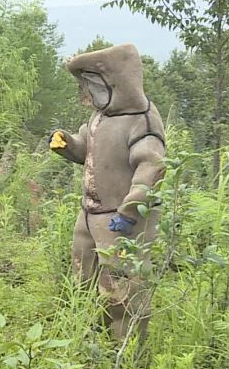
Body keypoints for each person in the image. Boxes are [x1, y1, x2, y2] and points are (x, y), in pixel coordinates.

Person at [49, 43, 165, 341]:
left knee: (122, 288)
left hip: (121, 221)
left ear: (116, 82)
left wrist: (130, 210)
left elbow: (151, 167)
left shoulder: (143, 119)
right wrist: (69, 145)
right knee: (84, 279)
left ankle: (125, 353)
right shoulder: (99, 117)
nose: (87, 92)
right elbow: (88, 149)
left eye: (93, 84)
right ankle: (91, 343)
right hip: (89, 215)